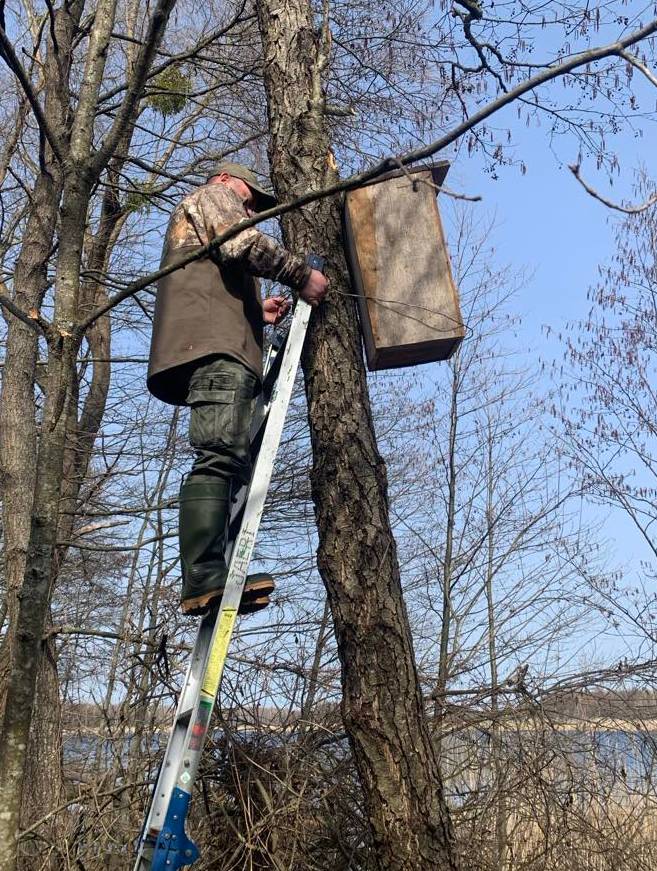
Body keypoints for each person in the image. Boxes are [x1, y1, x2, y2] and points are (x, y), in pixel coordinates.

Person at [147, 162, 328, 615]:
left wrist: (253, 310)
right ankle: (204, 576)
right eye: (250, 198)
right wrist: (300, 275)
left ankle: (211, 573)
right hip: (212, 349)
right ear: (227, 179)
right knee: (219, 455)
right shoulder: (213, 195)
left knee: (228, 456)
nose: (250, 210)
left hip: (216, 344)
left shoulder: (207, 214)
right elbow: (240, 243)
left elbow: (217, 267)